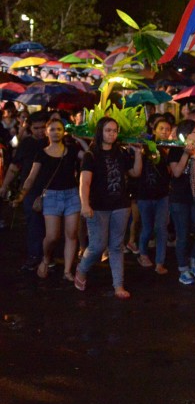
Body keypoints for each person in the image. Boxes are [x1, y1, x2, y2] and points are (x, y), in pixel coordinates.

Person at [74, 118, 144, 299]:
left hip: (120, 205)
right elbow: (85, 182)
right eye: (108, 130)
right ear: (100, 132)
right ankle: (81, 269)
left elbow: (135, 173)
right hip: (98, 206)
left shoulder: (121, 152)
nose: (112, 134)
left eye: (114, 130)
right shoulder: (91, 155)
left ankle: (118, 285)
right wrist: (85, 204)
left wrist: (137, 154)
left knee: (116, 246)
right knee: (97, 245)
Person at [19, 118, 82, 281]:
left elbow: (89, 155)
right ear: (47, 132)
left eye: (59, 129)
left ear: (64, 132)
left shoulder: (72, 150)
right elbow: (31, 177)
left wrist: (80, 139)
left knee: (71, 234)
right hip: (51, 196)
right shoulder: (42, 153)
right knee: (53, 236)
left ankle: (68, 271)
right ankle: (46, 258)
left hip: (72, 194)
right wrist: (21, 196)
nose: (56, 132)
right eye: (52, 129)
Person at [0, 111, 48, 272]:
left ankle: (47, 257)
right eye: (36, 128)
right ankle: (35, 256)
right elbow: (14, 167)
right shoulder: (26, 144)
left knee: (50, 228)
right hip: (31, 191)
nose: (40, 131)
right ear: (30, 128)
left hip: (52, 191)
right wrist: (5, 186)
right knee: (34, 224)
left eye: (43, 127)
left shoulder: (53, 142)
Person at [167, 119, 195, 285]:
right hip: (179, 199)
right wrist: (186, 153)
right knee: (182, 234)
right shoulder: (175, 151)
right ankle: (183, 268)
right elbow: (176, 173)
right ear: (186, 134)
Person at [136, 117, 173, 275]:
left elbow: (171, 173)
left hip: (162, 195)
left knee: (161, 228)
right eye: (161, 129)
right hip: (144, 195)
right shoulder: (145, 147)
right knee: (147, 228)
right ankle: (142, 253)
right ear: (154, 130)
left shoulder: (170, 149)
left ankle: (160, 261)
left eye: (167, 129)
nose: (164, 132)